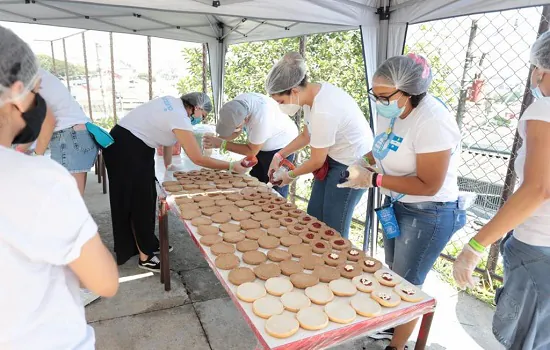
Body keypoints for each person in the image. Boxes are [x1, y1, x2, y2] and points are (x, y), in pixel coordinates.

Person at [0, 26, 119, 349]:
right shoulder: (38, 181)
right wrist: (36, 160)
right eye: (34, 92)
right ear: (18, 94)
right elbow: (105, 282)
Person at [339, 53, 466, 350]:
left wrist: (373, 180)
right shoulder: (393, 110)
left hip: (429, 212)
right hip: (397, 204)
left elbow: (429, 183)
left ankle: (397, 346)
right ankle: (393, 326)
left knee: (409, 283)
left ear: (410, 91)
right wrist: (364, 161)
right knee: (394, 272)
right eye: (376, 94)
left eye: (384, 95)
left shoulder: (433, 120)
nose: (379, 101)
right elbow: (383, 147)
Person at [453, 31, 550, 350]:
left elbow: (538, 188)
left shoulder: (544, 111)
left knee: (526, 338)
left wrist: (475, 246)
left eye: (536, 67)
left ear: (542, 68)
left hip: (538, 245)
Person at [103, 92, 247, 272]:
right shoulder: (179, 116)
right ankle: (145, 256)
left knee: (147, 196)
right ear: (197, 107)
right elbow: (198, 158)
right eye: (202, 116)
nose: (200, 120)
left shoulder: (173, 104)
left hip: (134, 146)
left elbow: (167, 138)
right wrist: (232, 166)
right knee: (138, 202)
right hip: (126, 150)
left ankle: (145, 242)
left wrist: (168, 165)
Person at [265, 52, 373, 239]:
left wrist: (289, 175)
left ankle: (336, 264)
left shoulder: (325, 109)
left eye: (281, 101)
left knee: (334, 226)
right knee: (314, 217)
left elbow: (316, 161)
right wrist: (279, 156)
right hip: (333, 157)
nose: (281, 106)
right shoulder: (310, 97)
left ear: (294, 91)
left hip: (353, 163)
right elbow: (307, 135)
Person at [15, 68, 98, 195]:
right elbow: (38, 124)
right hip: (76, 136)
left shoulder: (22, 79)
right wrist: (19, 151)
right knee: (72, 203)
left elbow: (48, 123)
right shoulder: (29, 72)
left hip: (69, 138)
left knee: (69, 203)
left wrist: (38, 158)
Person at [202, 93, 299, 197]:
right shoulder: (235, 106)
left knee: (274, 183)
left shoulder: (261, 117)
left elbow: (251, 150)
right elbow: (236, 130)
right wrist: (219, 139)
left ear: (246, 119)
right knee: (256, 181)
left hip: (281, 145)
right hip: (261, 143)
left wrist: (222, 144)